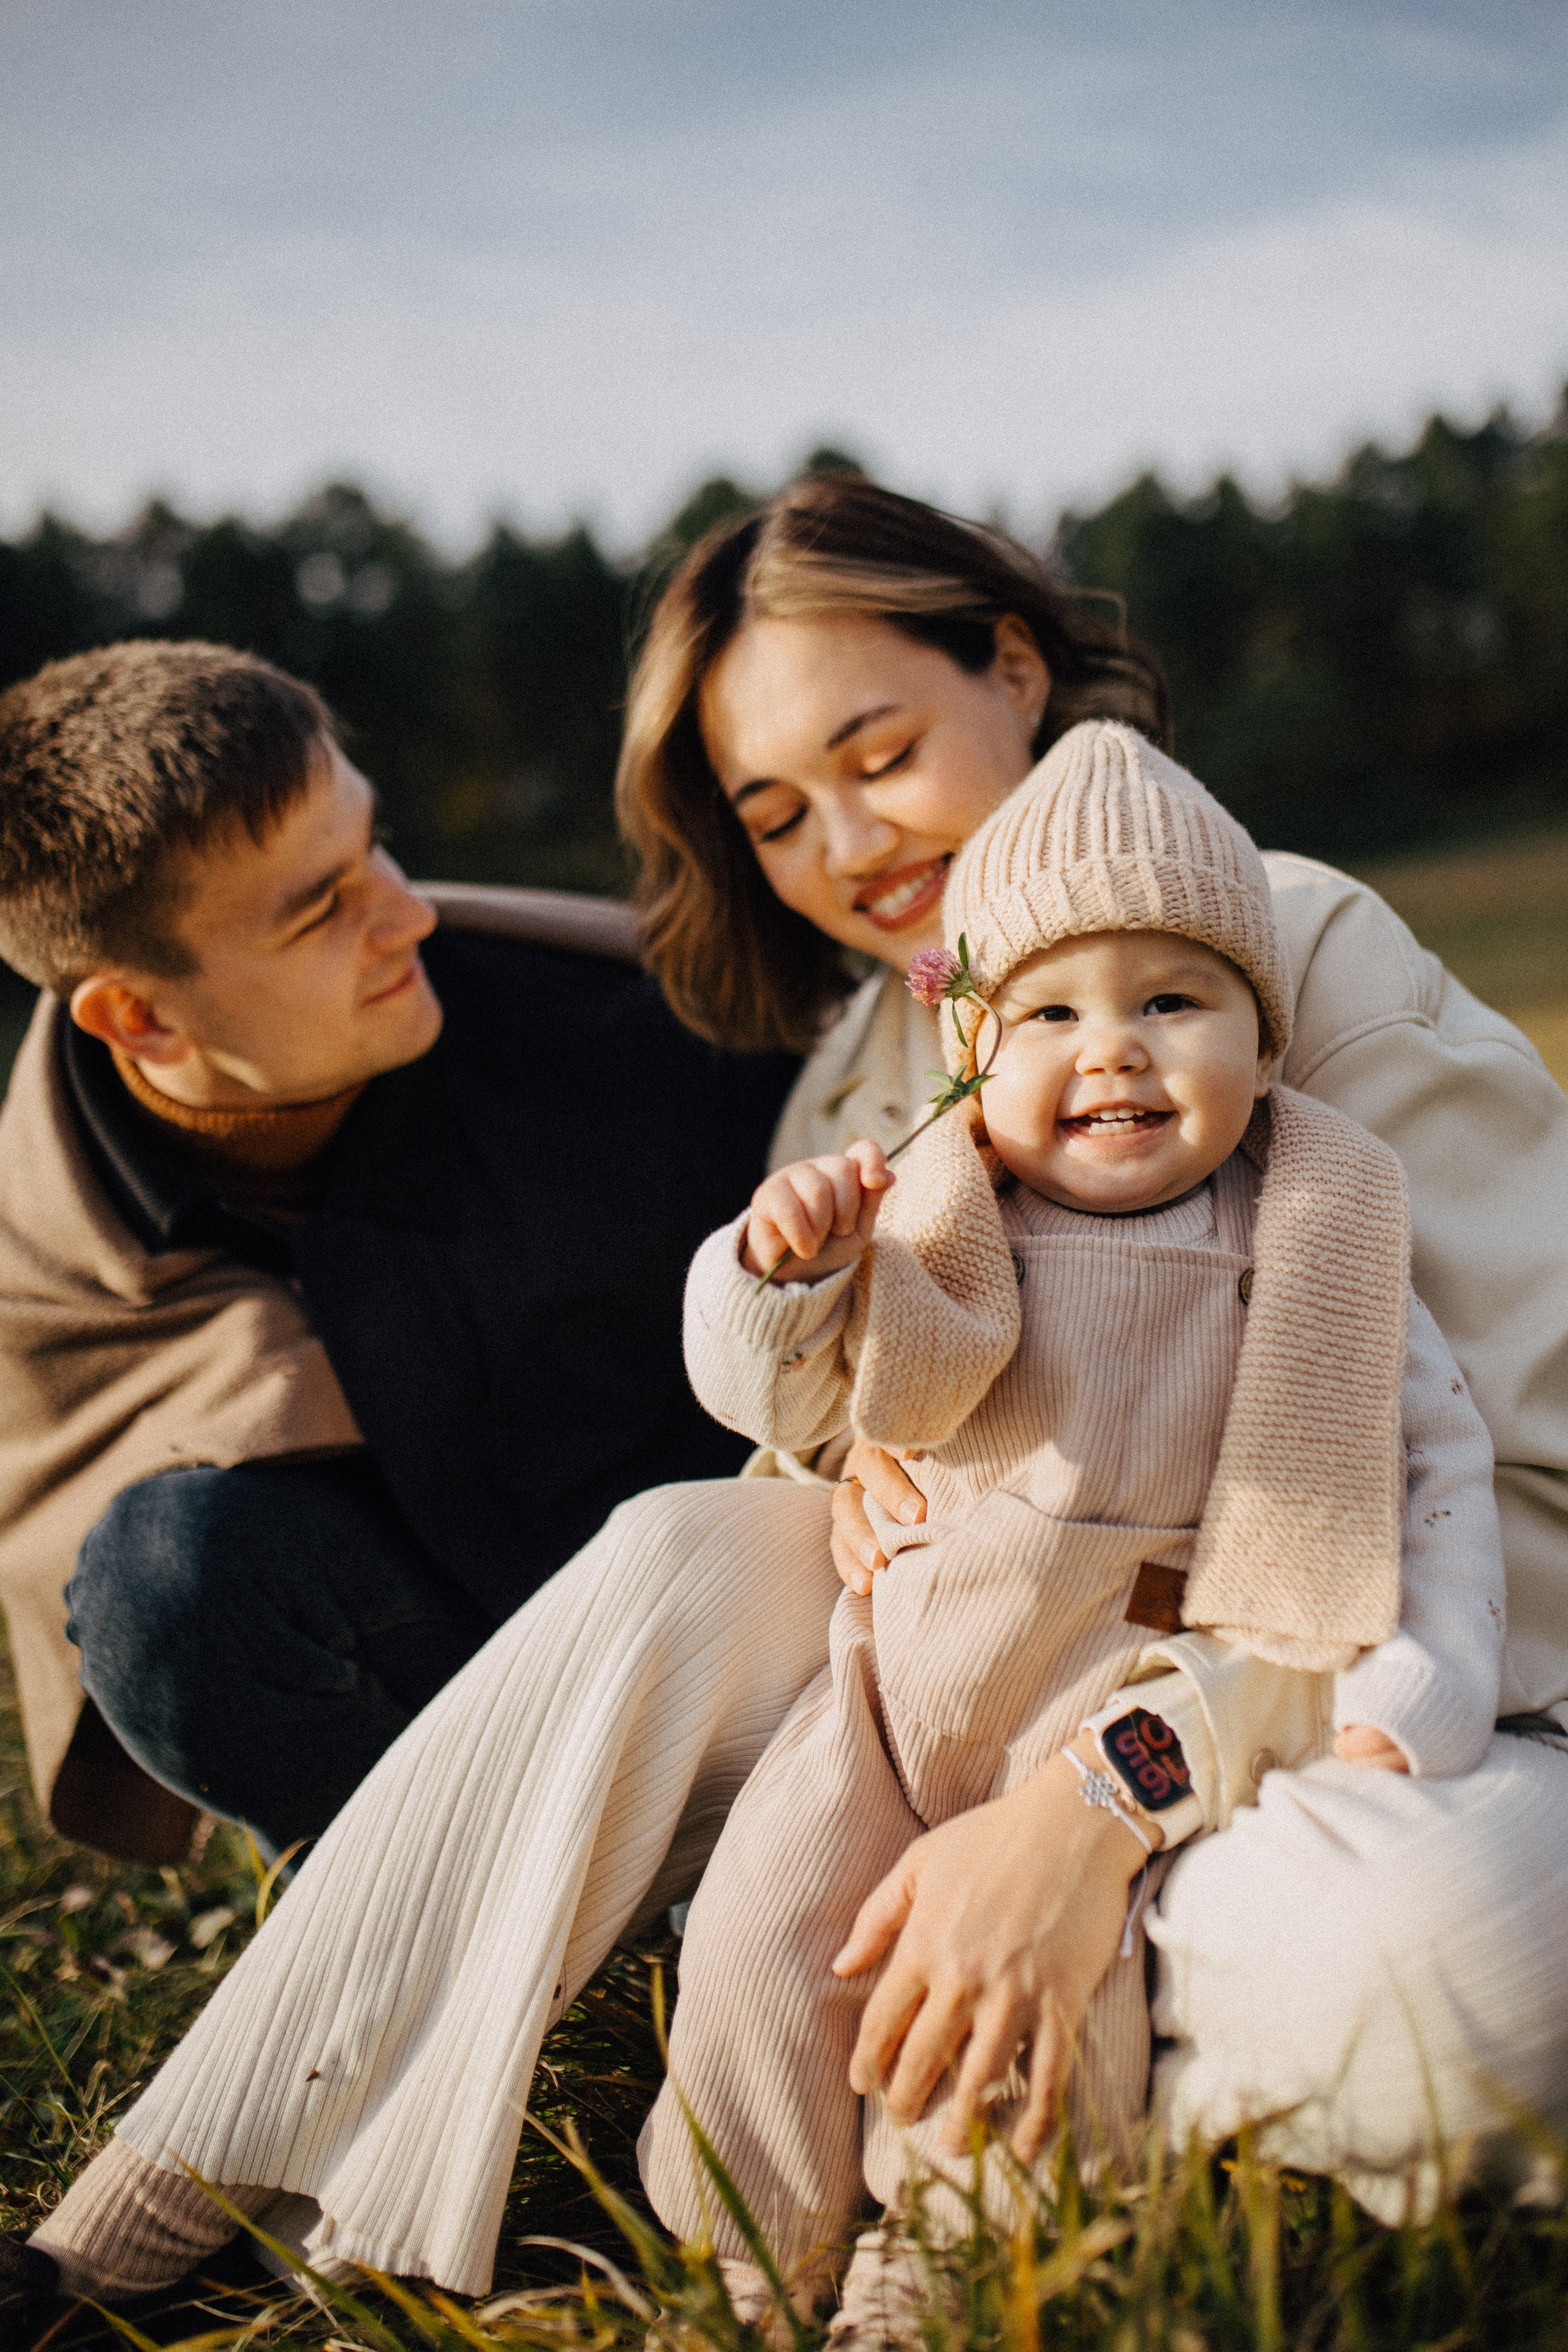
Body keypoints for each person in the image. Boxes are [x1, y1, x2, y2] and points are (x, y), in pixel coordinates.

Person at [9, 477, 1567, 2333]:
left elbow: (1526, 1512)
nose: (849, 843)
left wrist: (1108, 1798)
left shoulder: (1294, 954)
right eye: (775, 814)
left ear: (1012, 665)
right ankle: (176, 2198)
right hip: (964, 1733)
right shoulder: (857, 1086)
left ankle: (987, 2076)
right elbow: (837, 1490)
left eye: (881, 750)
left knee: (1467, 1969)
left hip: (1382, 1727)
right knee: (685, 1546)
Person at [638, 722, 1504, 2322]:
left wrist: (1424, 1681)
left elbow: (1439, 1474)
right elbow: (766, 1383)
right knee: (761, 1955)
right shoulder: (937, 1212)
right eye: (1048, 1012)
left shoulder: (1310, 1232)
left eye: (1172, 1001)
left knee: (1022, 2029)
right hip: (885, 1705)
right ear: (974, 1045)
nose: (1111, 1051)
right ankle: (739, 2272)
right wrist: (783, 1269)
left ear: (1263, 1034)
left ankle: (936, 2275)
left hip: (1105, 1703)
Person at [0, 640, 796, 1864]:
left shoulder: (616, 1036)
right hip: (456, 1703)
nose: (407, 911)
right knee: (165, 1582)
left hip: (748, 1638)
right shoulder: (54, 1240)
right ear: (138, 1016)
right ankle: (439, 1898)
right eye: (322, 908)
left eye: (369, 846)